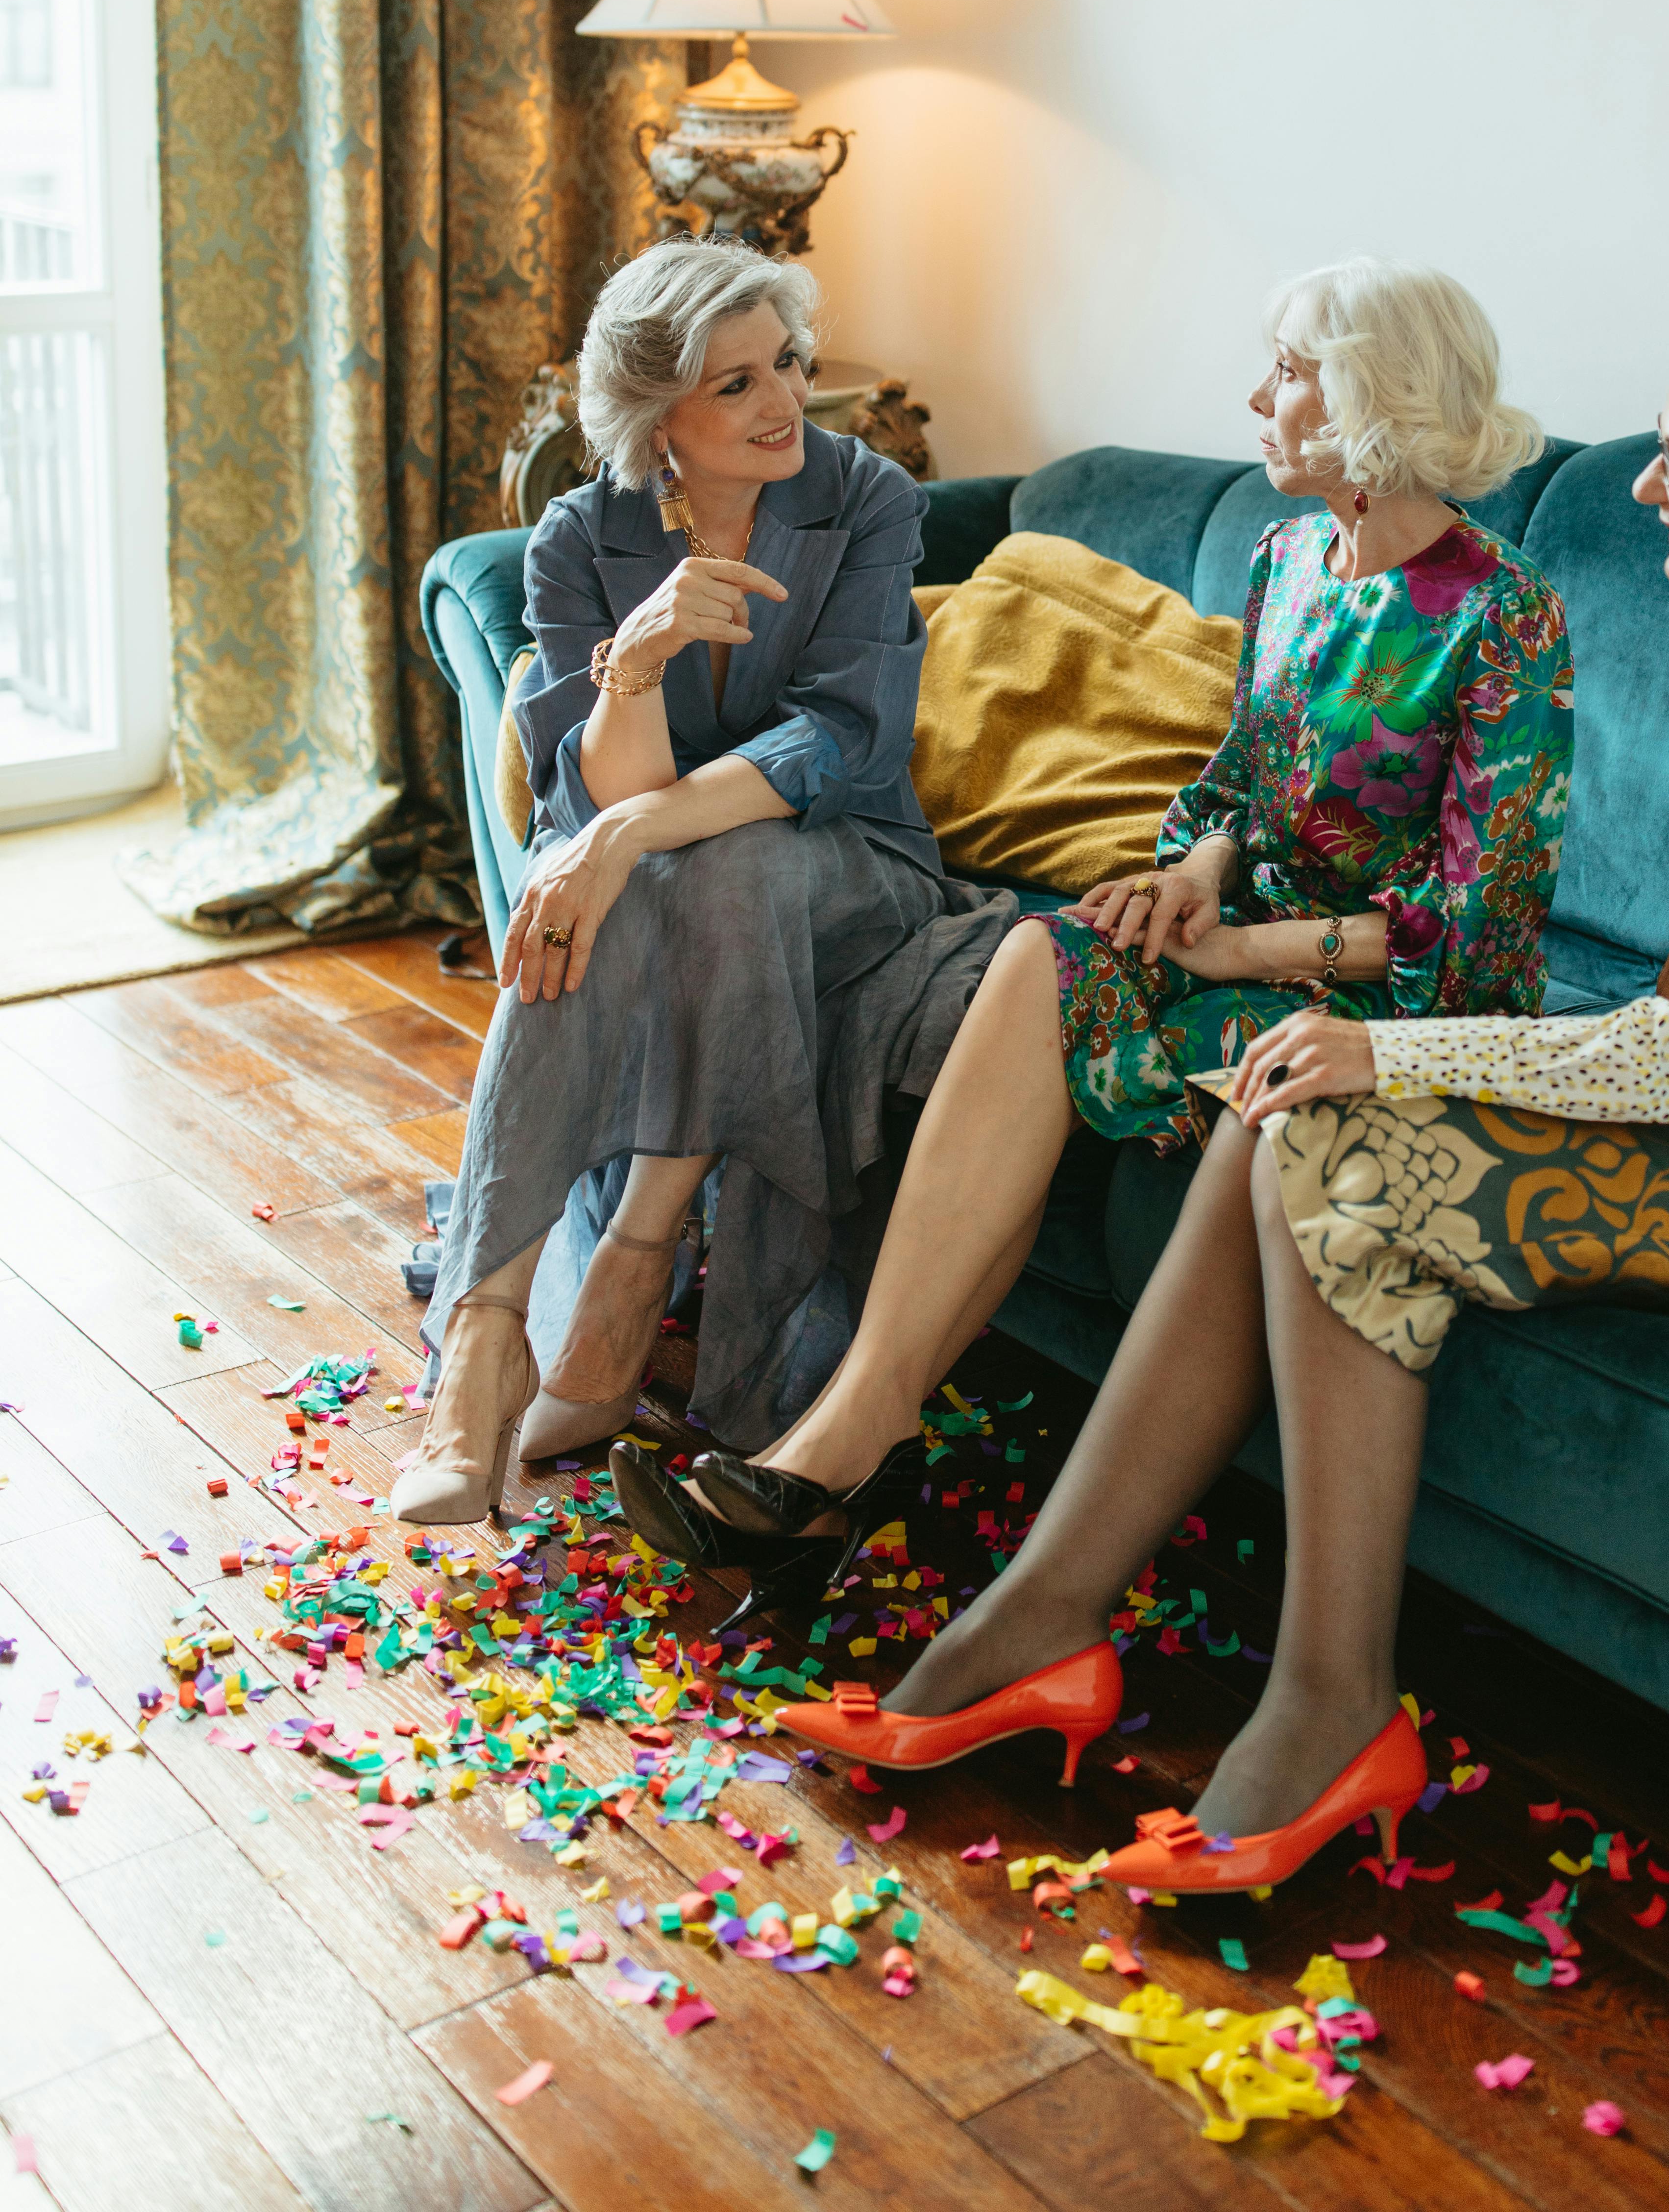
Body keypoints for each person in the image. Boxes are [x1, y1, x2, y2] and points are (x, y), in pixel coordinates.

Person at [766, 263, 1669, 1890]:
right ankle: (1048, 1619)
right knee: (1300, 1108)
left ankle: (1325, 1707)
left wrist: (1389, 1040)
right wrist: (1352, 1041)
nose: (1647, 483)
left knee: (1351, 1138)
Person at [617, 258, 1575, 1596]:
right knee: (1037, 954)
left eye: (1288, 375)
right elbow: (1240, 778)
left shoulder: (1502, 609)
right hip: (1247, 931)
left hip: (1391, 1003)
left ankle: (820, 1475)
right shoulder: (1290, 553)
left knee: (1086, 1000)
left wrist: (1248, 951)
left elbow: (1482, 924)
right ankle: (849, 1440)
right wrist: (1198, 875)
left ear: (1373, 402)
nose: (1258, 396)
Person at [395, 240, 1013, 1531]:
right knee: (650, 881)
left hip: (862, 869)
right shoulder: (581, 537)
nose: (784, 399)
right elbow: (600, 793)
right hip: (700, 880)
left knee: (658, 869)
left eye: (784, 361)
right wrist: (633, 667)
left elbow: (846, 741)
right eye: (734, 385)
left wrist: (620, 840)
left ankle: (626, 1274)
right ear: (654, 415)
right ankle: (487, 1342)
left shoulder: (866, 500)